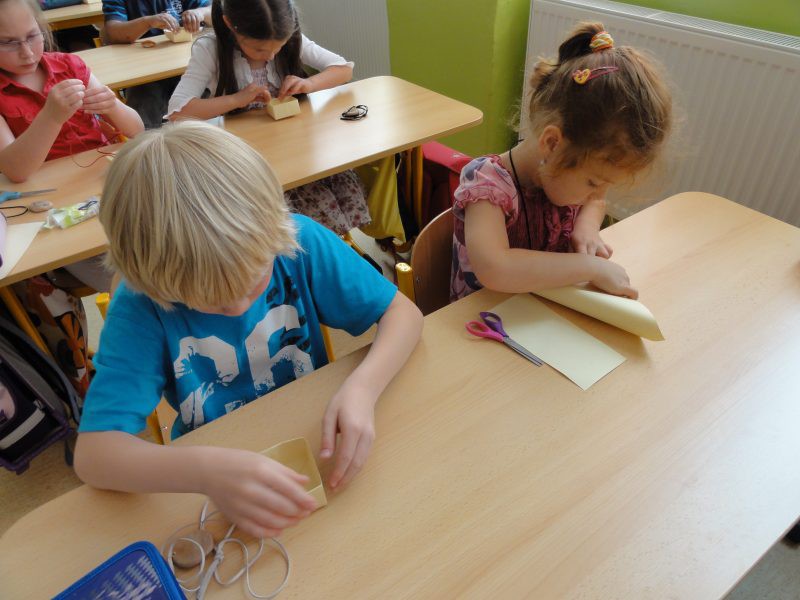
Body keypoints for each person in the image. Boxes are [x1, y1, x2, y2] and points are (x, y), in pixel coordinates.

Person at [73, 121, 423, 539]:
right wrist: (206, 470)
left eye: (254, 279)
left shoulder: (298, 240)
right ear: (152, 281)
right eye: (209, 299)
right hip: (215, 462)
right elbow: (94, 455)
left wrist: (363, 388)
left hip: (309, 434)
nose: (238, 306)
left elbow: (403, 315)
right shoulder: (140, 306)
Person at [450, 23, 672, 302]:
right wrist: (589, 267)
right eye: (593, 182)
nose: (597, 193)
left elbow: (595, 202)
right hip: (484, 319)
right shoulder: (486, 185)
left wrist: (587, 227)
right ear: (553, 144)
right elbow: (496, 268)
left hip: (543, 310)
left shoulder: (565, 173)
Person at [0, 0, 144, 396]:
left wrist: (113, 106)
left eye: (32, 36)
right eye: (8, 43)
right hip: (59, 217)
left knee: (168, 246)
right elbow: (16, 168)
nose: (26, 51)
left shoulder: (69, 65)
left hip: (108, 192)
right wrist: (51, 116)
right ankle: (131, 363)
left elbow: (136, 130)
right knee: (134, 276)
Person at [168, 0, 370, 235]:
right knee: (301, 217)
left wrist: (308, 84)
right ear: (230, 25)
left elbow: (343, 69)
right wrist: (236, 100)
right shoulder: (210, 49)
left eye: (278, 47)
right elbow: (177, 112)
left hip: (299, 151)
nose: (271, 55)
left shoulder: (289, 37)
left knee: (340, 189)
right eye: (259, 50)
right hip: (252, 162)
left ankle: (331, 244)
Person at [102, 0, 212, 128]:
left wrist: (200, 13)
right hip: (141, 73)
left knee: (201, 99)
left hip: (184, 66)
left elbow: (213, 13)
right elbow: (113, 32)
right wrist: (148, 22)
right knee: (146, 104)